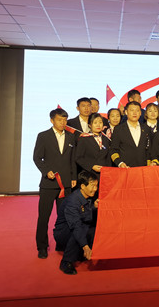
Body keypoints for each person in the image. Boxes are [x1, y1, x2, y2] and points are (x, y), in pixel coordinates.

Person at [33, 108, 76, 259]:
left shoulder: (71, 137)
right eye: (59, 120)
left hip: (66, 184)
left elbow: (72, 160)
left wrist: (73, 177)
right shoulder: (43, 136)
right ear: (52, 120)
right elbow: (37, 158)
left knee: (64, 217)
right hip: (48, 183)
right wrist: (46, 171)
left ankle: (62, 243)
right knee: (44, 217)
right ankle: (42, 247)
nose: (63, 122)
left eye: (65, 120)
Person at [53, 171, 99, 275]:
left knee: (94, 230)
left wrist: (93, 207)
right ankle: (66, 262)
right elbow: (76, 225)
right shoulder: (72, 201)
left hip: (76, 226)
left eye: (96, 186)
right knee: (80, 230)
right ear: (83, 186)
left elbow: (84, 214)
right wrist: (85, 246)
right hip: (64, 232)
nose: (95, 189)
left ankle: (80, 254)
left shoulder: (85, 196)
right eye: (92, 186)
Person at [109, 101, 152, 167]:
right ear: (126, 112)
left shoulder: (146, 128)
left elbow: (149, 150)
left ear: (140, 113)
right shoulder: (118, 129)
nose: (135, 113)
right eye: (132, 110)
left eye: (137, 110)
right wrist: (120, 163)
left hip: (143, 168)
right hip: (125, 168)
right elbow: (113, 149)